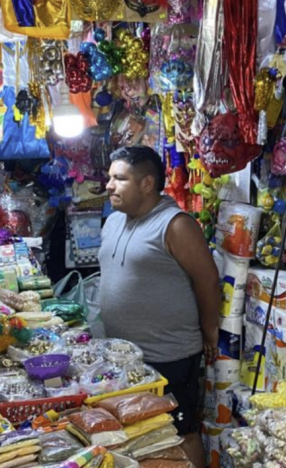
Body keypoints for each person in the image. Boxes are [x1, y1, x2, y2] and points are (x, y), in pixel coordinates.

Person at [99, 146, 220, 468]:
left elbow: (207, 281)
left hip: (169, 354)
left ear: (147, 183)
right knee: (140, 435)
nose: (109, 185)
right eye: (110, 178)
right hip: (123, 356)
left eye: (119, 178)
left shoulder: (176, 224)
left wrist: (209, 329)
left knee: (180, 432)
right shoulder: (112, 222)